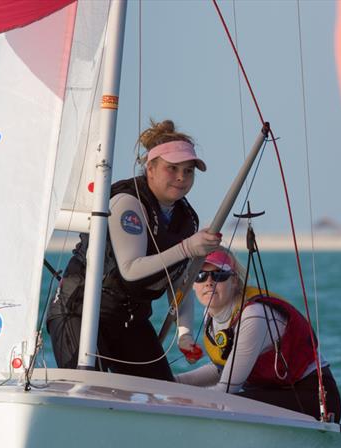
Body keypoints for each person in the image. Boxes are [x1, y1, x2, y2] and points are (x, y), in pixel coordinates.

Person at [47, 119, 221, 381]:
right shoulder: (128, 203)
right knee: (88, 388)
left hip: (128, 320)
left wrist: (184, 334)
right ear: (150, 168)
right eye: (172, 168)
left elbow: (179, 285)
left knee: (162, 391)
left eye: (188, 171)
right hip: (79, 311)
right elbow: (130, 269)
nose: (181, 177)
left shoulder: (186, 218)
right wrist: (187, 247)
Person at [175, 248, 341, 422]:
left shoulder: (254, 316)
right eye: (201, 275)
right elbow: (222, 368)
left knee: (227, 404)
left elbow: (225, 390)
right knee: (225, 402)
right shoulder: (211, 315)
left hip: (315, 399)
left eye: (219, 275)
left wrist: (181, 400)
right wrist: (176, 382)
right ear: (193, 284)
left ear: (234, 281)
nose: (209, 282)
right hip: (273, 392)